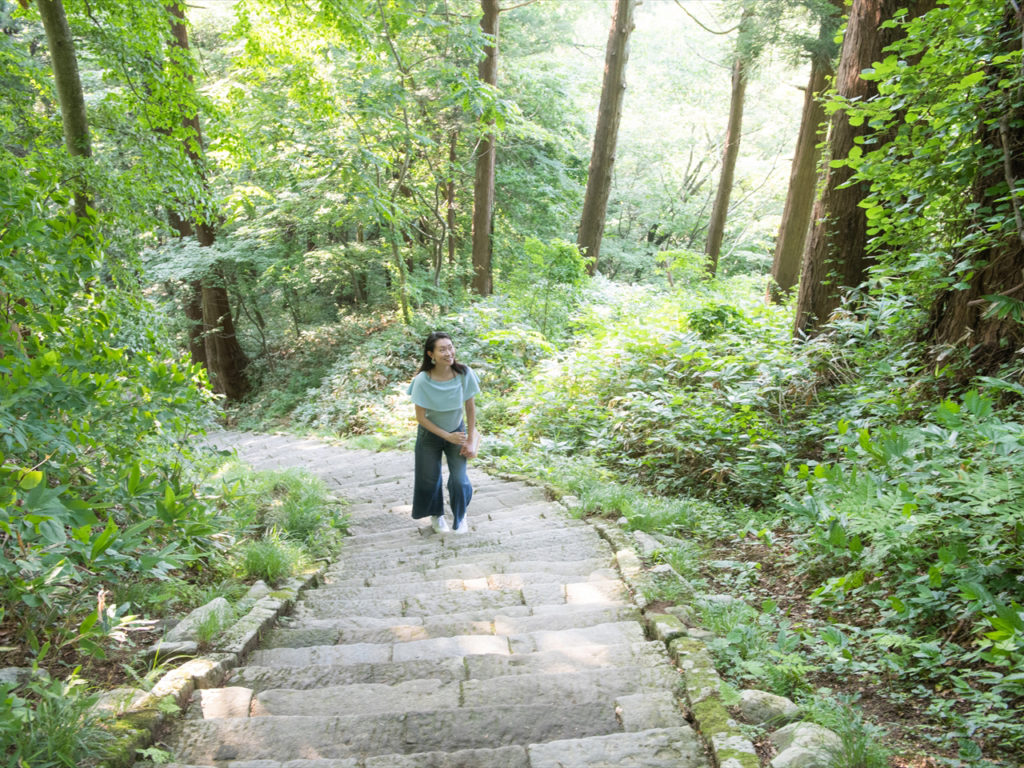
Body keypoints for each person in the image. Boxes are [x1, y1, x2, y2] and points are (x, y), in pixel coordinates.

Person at [407, 332, 480, 534]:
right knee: (428, 478)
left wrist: (471, 439)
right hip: (430, 436)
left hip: (457, 433)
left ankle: (460, 516)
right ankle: (437, 516)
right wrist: (445, 436)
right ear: (431, 354)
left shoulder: (465, 374)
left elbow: (471, 408)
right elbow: (421, 418)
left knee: (459, 479)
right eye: (442, 349)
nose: (448, 352)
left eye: (450, 347)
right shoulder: (423, 380)